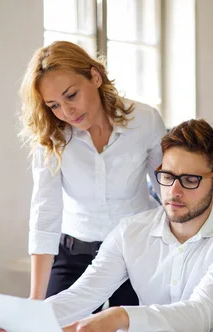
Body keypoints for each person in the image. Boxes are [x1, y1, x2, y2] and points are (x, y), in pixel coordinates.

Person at [0, 119, 213, 332]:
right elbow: (82, 295)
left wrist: (119, 316)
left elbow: (201, 315)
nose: (174, 191)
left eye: (190, 180)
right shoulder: (131, 231)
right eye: (167, 176)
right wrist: (9, 327)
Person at [19, 41, 166, 305]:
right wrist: (35, 300)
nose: (66, 112)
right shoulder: (52, 137)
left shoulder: (145, 121)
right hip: (75, 253)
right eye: (54, 105)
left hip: (135, 253)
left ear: (95, 77)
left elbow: (168, 191)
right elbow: (45, 212)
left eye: (71, 96)